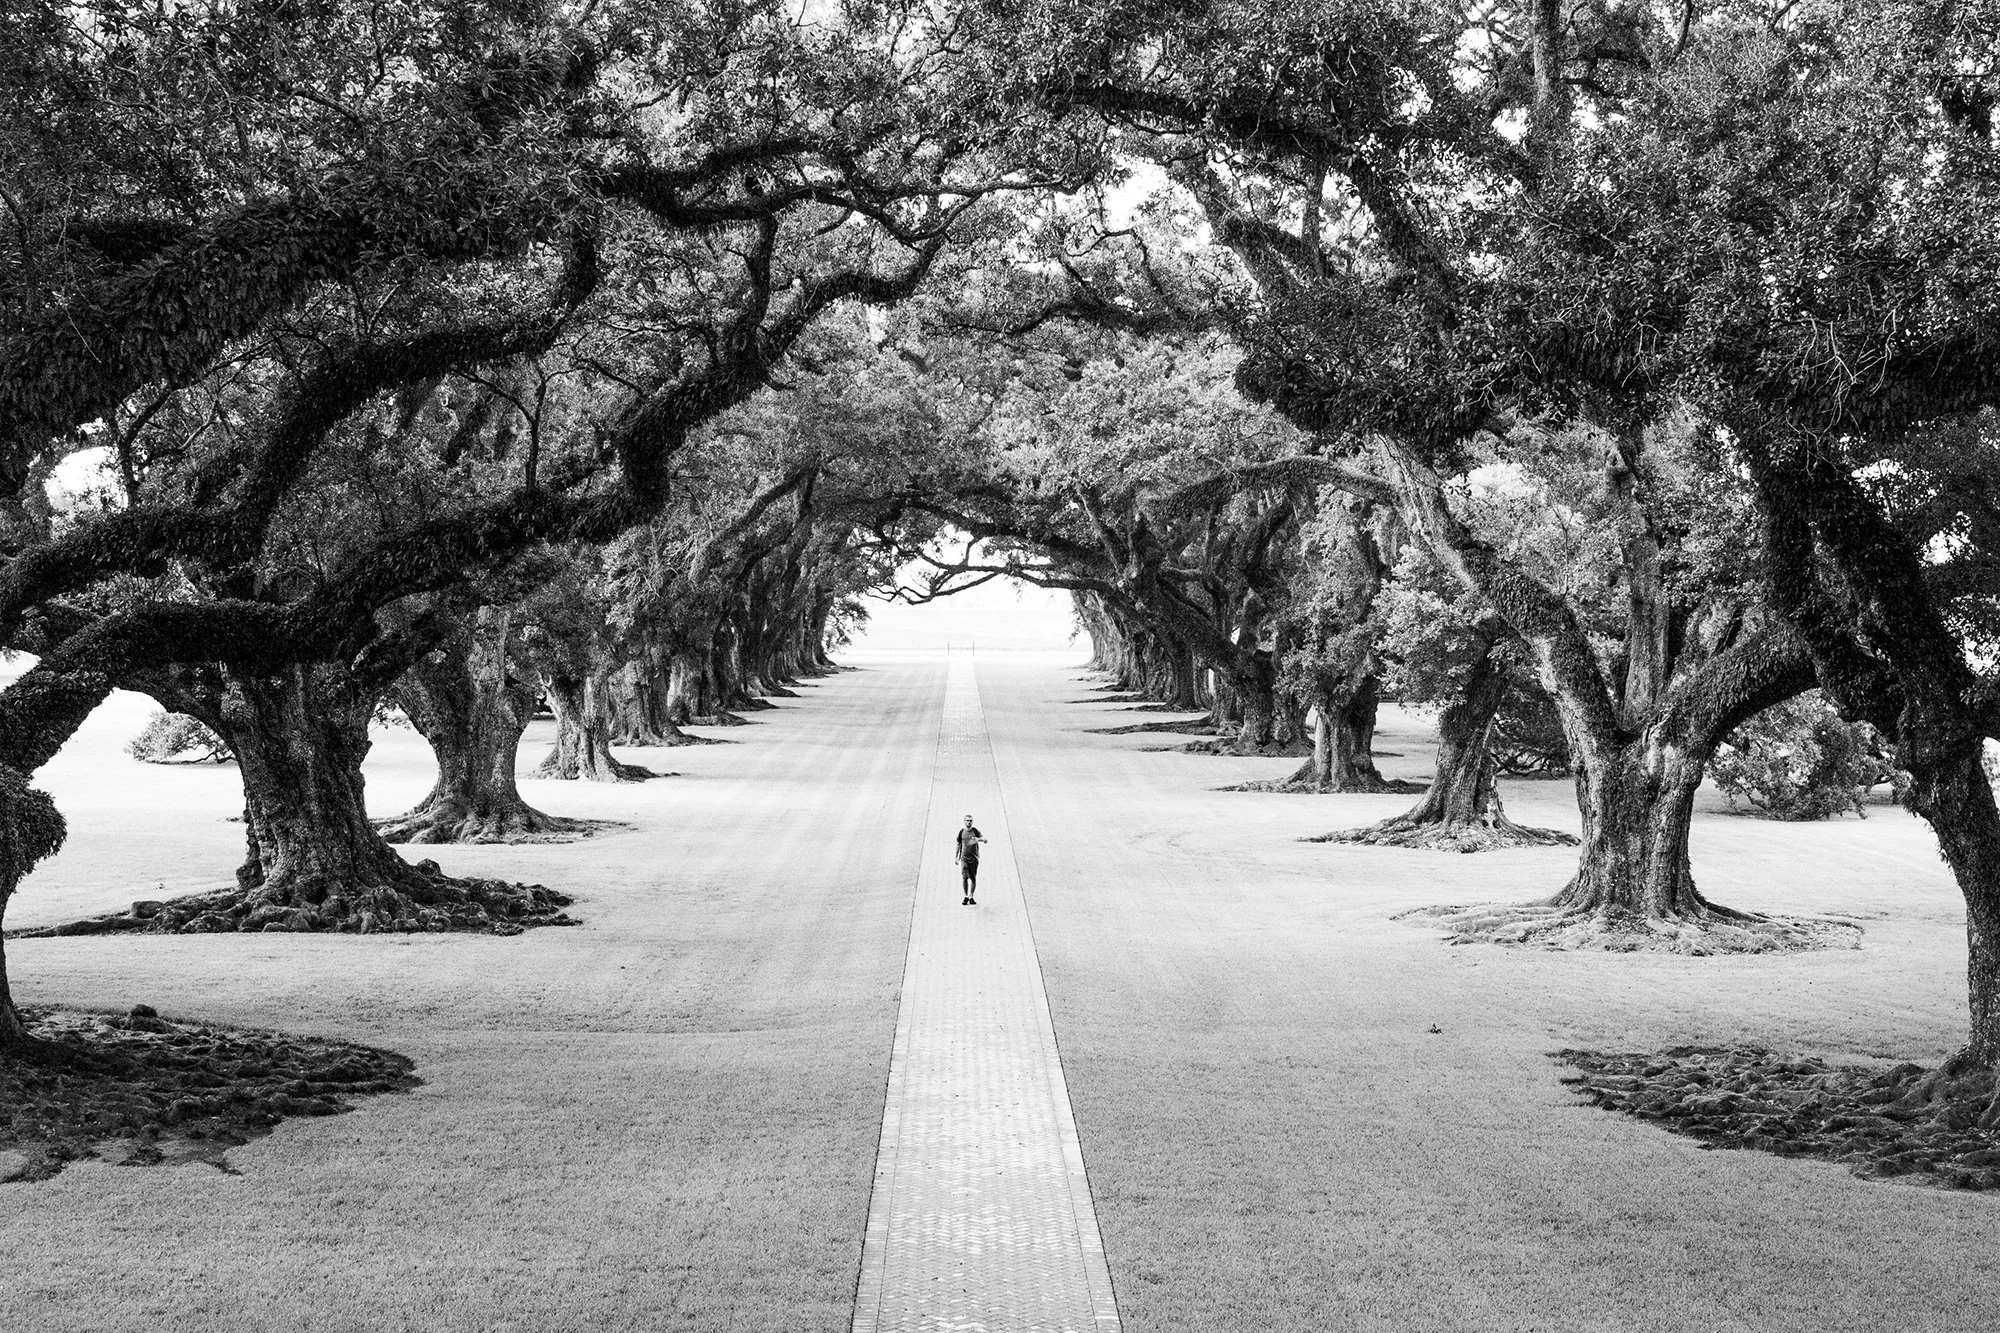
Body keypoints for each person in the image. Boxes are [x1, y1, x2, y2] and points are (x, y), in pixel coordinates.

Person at [955, 816, 985, 905]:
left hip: (974, 858)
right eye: (967, 820)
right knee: (964, 877)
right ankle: (966, 896)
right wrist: (956, 857)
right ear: (964, 821)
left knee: (973, 878)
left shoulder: (975, 831)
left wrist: (979, 839)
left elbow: (984, 839)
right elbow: (958, 844)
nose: (969, 822)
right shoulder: (961, 832)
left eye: (970, 821)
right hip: (964, 858)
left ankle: (971, 896)